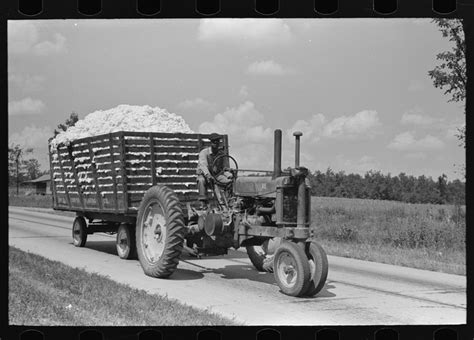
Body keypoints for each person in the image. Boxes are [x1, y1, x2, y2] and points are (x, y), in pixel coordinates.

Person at [196, 133, 233, 209]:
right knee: (201, 180)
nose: (216, 144)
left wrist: (228, 174)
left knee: (230, 181)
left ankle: (229, 201)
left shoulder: (220, 154)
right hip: (205, 175)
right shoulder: (204, 153)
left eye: (217, 142)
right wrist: (208, 175)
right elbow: (203, 165)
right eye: (214, 142)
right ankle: (203, 203)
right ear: (211, 143)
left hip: (216, 176)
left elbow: (222, 169)